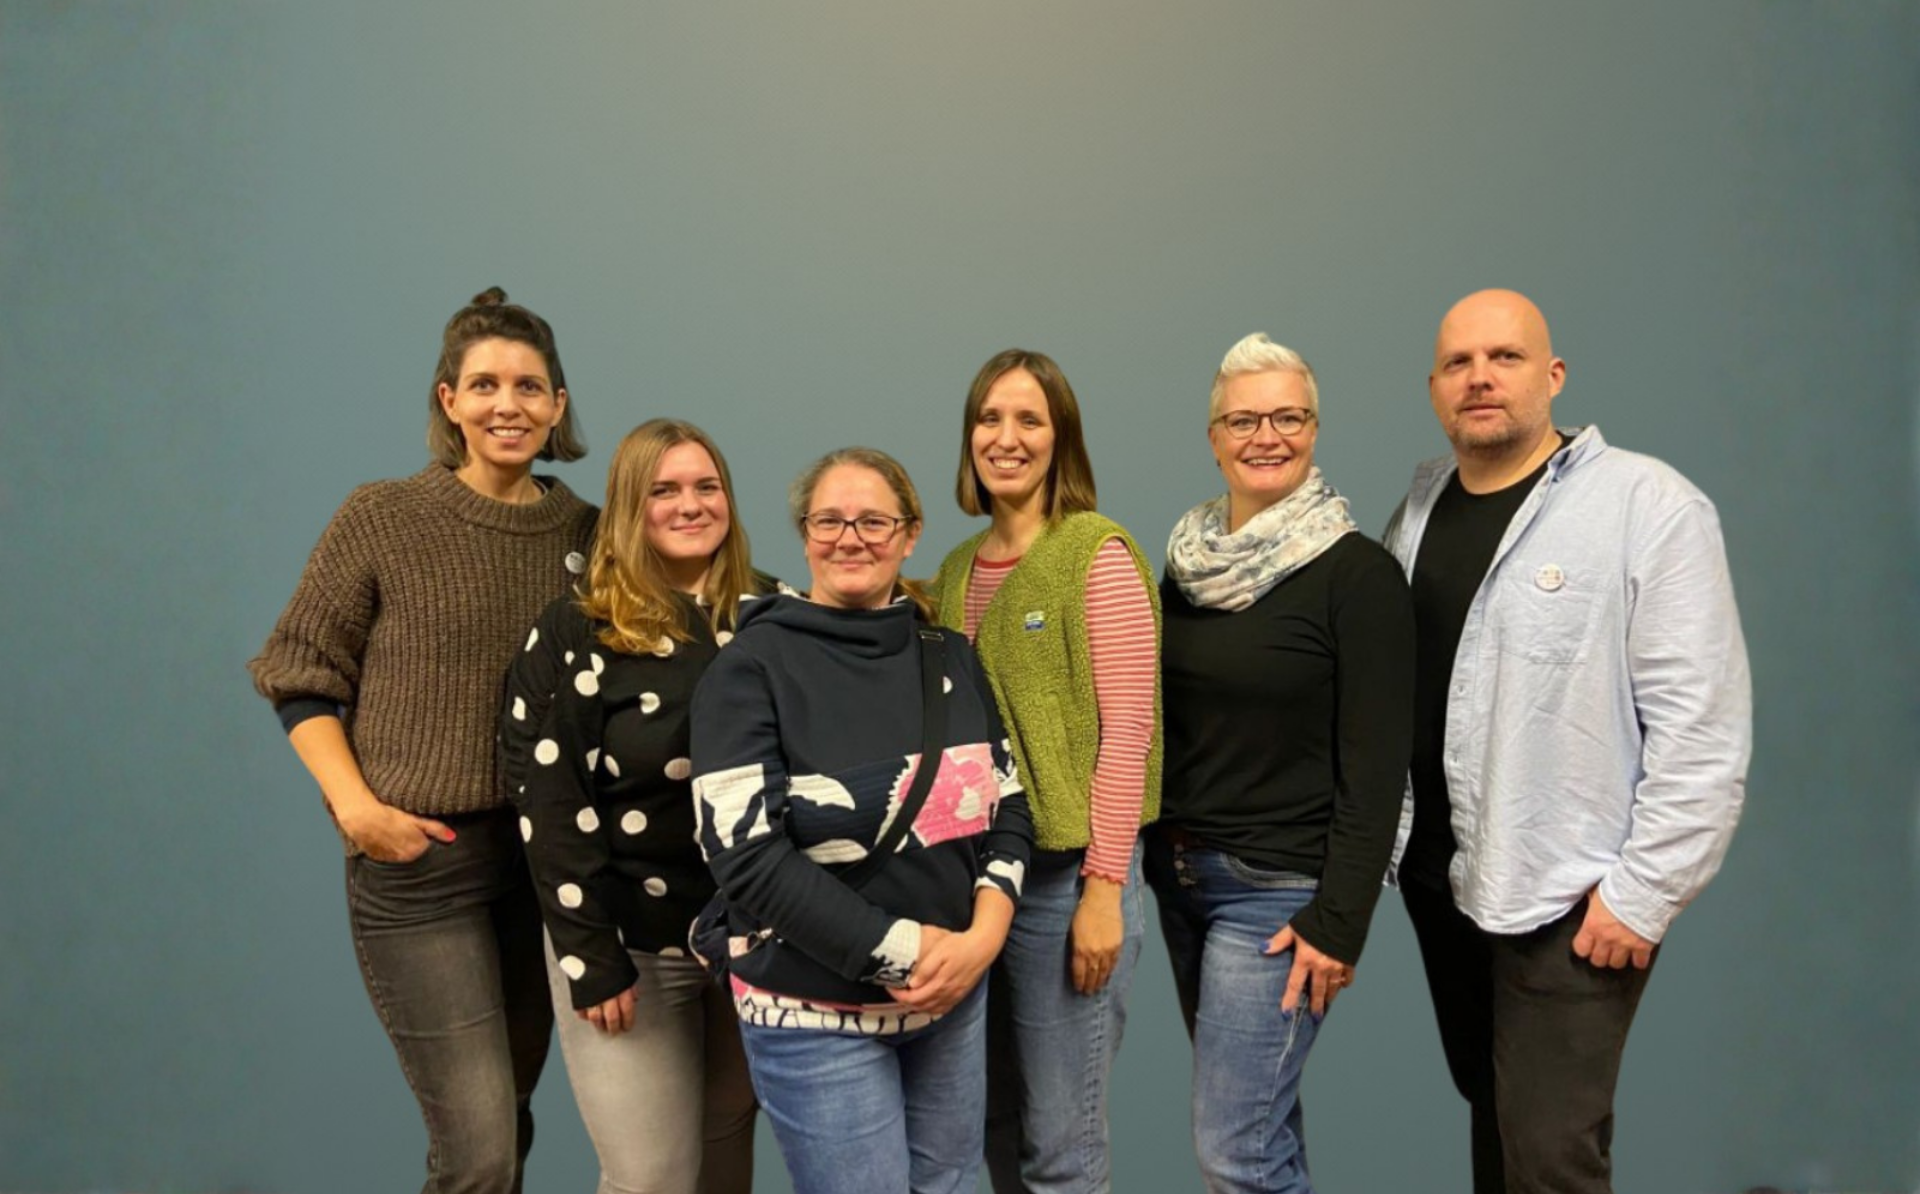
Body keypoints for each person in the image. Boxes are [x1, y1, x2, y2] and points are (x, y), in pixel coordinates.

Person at [1385, 289, 1751, 1194]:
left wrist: (1643, 895)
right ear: (1435, 387)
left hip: (1572, 898)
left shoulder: (1648, 506)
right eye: (1460, 363)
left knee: (1551, 1158)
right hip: (1446, 885)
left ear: (1553, 377)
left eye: (1504, 358)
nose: (1480, 378)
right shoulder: (1419, 508)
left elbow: (1704, 725)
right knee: (1498, 1122)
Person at [247, 288, 596, 1194]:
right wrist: (358, 810)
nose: (506, 405)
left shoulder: (589, 536)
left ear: (558, 404)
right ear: (449, 401)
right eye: (484, 385)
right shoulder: (383, 516)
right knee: (478, 1151)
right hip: (421, 872)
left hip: (542, 869)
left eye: (529, 386)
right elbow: (297, 668)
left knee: (507, 1131)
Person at [689, 447, 1034, 1194]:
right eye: (830, 520)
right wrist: (905, 952)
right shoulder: (750, 669)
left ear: (911, 535)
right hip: (814, 1011)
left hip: (953, 998)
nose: (851, 538)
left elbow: (1007, 802)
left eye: (874, 521)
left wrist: (986, 934)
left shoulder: (950, 655)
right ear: (805, 534)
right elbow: (744, 856)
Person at [1148, 334, 1414, 1193]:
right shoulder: (1186, 567)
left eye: (1288, 417)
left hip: (1278, 894)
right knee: (1265, 1134)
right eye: (1244, 419)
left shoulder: (1358, 577)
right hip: (1182, 881)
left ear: (1314, 428)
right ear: (1214, 435)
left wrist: (1340, 922)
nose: (1267, 435)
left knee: (1237, 1149)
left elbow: (1380, 767)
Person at [499, 419, 767, 1194]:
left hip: (756, 950)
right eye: (665, 490)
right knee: (652, 1178)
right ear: (629, 507)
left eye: (706, 486)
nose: (691, 505)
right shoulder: (582, 630)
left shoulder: (774, 616)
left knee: (724, 1162)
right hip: (628, 946)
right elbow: (549, 804)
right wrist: (590, 957)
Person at [930, 349, 1160, 1194]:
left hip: (1067, 887)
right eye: (989, 419)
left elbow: (1128, 730)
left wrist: (1104, 889)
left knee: (1060, 1147)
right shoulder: (957, 570)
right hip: (973, 890)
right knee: (991, 1124)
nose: (1007, 437)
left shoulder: (1094, 554)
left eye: (1029, 419)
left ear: (1061, 437)